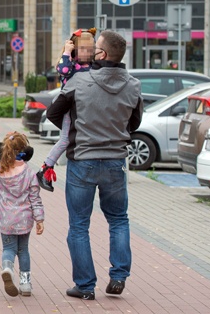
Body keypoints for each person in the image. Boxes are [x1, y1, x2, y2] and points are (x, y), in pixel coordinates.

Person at [47, 30, 143, 300]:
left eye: (94, 47)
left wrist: (81, 128)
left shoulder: (79, 81)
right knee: (118, 219)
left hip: (83, 163)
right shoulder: (133, 85)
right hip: (115, 162)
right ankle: (119, 276)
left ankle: (85, 286)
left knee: (79, 225)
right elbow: (134, 123)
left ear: (102, 54)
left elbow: (53, 113)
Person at [37, 28, 96, 192]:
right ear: (75, 49)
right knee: (65, 139)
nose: (87, 52)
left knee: (73, 138)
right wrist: (67, 51)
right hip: (69, 108)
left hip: (83, 107)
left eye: (90, 49)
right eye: (83, 49)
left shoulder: (92, 65)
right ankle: (45, 169)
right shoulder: (71, 66)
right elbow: (62, 70)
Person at [0, 132, 44, 297]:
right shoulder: (29, 173)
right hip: (24, 220)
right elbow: (35, 198)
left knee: (8, 248)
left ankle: (7, 268)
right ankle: (25, 284)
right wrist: (39, 219)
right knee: (23, 249)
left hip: (6, 219)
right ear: (23, 150)